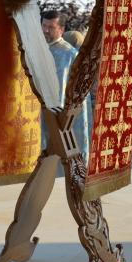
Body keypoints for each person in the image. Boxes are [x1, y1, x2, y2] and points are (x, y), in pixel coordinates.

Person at [40, 11, 91, 156]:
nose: (45, 30)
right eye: (44, 26)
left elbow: (78, 93)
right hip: (37, 113)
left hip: (60, 116)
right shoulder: (35, 50)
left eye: (51, 27)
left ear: (61, 30)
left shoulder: (70, 55)